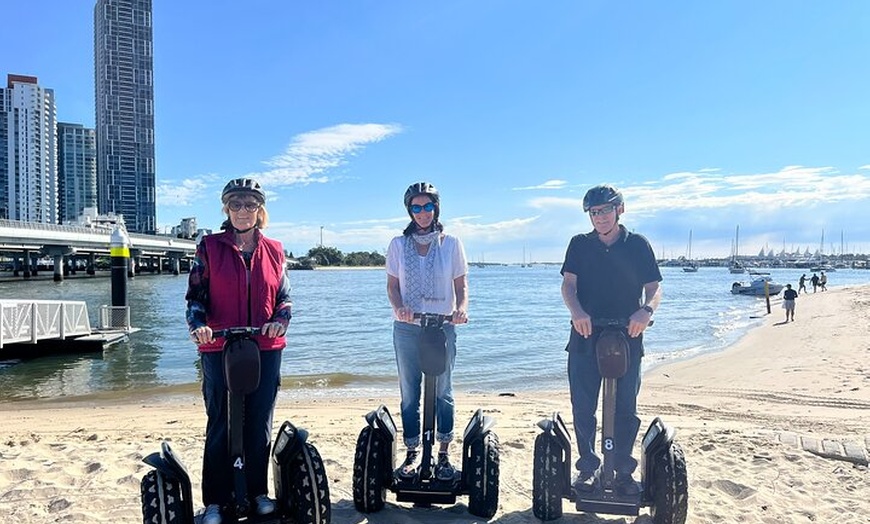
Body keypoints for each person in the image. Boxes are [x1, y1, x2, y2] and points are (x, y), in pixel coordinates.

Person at [186, 178, 292, 524]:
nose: (243, 211)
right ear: (226, 209)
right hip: (218, 345)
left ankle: (258, 492)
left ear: (260, 210)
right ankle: (215, 500)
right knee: (219, 419)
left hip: (265, 345)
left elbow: (284, 298)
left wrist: (280, 320)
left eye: (249, 205)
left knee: (259, 419)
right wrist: (198, 326)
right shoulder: (210, 246)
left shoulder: (275, 249)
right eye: (236, 205)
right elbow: (195, 297)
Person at [560, 184, 662, 496]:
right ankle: (588, 468)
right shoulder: (579, 244)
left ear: (619, 209)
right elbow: (568, 286)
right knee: (583, 406)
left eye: (605, 210)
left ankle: (621, 471)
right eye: (594, 212)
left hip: (627, 335)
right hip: (585, 335)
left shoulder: (638, 245)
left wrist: (644, 312)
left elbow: (654, 288)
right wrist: (577, 312)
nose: (600, 217)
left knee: (626, 409)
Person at [386, 181, 469, 482]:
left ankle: (443, 454)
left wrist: (461, 309)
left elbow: (461, 286)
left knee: (443, 391)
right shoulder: (397, 244)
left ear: (436, 208)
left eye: (428, 206)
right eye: (416, 207)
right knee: (410, 392)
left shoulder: (451, 243)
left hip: (442, 327)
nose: (422, 213)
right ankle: (412, 453)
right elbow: (393, 287)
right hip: (407, 327)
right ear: (410, 211)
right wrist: (399, 308)